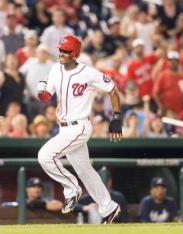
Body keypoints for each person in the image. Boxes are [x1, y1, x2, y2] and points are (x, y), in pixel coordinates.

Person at [37, 35, 123, 224]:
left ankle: (72, 190)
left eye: (66, 50)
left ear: (74, 53)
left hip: (79, 126)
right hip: (64, 128)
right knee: (85, 171)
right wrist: (41, 89)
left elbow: (112, 89)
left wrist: (116, 117)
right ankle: (109, 207)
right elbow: (46, 97)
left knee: (45, 156)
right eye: (60, 49)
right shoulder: (55, 69)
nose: (61, 53)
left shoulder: (88, 73)